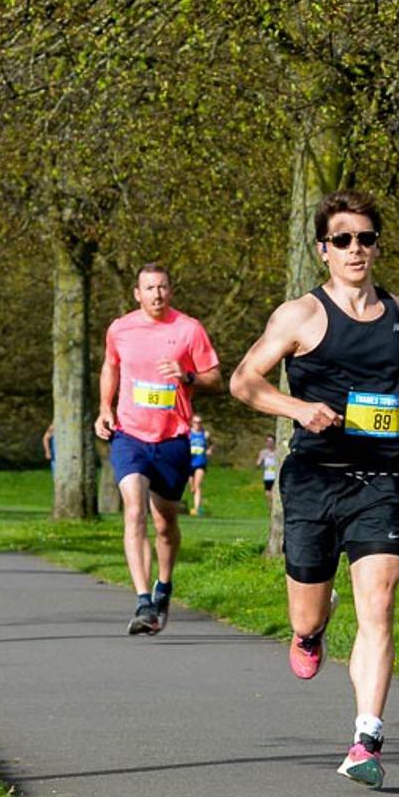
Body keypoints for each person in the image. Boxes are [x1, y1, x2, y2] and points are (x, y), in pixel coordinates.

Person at [231, 190, 399, 788]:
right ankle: (310, 631)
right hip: (314, 478)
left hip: (378, 479)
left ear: (377, 245)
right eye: (344, 240)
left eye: (366, 238)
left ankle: (366, 738)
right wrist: (298, 408)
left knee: (378, 601)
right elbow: (244, 381)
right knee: (308, 607)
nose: (357, 249)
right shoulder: (299, 315)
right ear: (324, 249)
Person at [96, 264, 223, 635]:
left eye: (162, 287)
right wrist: (105, 408)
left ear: (171, 290)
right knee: (134, 510)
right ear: (137, 293)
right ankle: (142, 602)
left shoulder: (189, 329)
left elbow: (215, 377)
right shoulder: (120, 328)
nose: (156, 294)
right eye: (149, 288)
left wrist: (187, 377)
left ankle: (163, 586)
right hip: (129, 435)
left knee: (165, 523)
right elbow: (110, 365)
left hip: (173, 439)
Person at [187, 415, 213, 515]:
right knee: (192, 487)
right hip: (189, 463)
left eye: (200, 422)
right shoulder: (188, 434)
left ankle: (197, 509)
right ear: (192, 423)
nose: (198, 424)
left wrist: (209, 450)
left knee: (198, 485)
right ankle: (196, 503)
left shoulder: (205, 434)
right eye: (195, 422)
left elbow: (211, 444)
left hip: (200, 462)